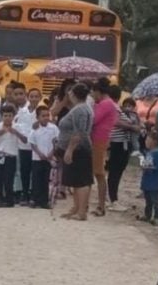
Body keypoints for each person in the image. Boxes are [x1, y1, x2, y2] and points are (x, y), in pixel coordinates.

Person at [57, 83, 94, 221]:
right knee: (75, 180)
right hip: (77, 148)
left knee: (81, 181)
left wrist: (70, 150)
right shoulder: (81, 108)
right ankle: (77, 208)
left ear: (74, 94)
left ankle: (81, 211)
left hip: (79, 149)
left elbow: (79, 132)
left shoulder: (80, 110)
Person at [107, 87, 141, 210]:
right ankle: (113, 199)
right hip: (119, 144)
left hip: (123, 143)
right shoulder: (115, 108)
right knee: (115, 172)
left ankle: (112, 197)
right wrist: (132, 127)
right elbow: (116, 122)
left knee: (117, 172)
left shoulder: (119, 109)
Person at [90, 78, 118, 217]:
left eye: (93, 93)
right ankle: (100, 204)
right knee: (98, 173)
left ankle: (101, 205)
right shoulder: (107, 103)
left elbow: (93, 119)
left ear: (98, 91)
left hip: (99, 140)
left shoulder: (105, 104)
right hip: (100, 139)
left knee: (99, 174)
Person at [0, 105, 26, 207]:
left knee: (8, 179)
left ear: (13, 116)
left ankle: (9, 199)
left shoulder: (17, 126)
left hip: (11, 156)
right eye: (5, 115)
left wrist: (16, 133)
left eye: (10, 115)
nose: (7, 118)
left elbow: (25, 140)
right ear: (1, 116)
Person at [29, 106, 59, 209]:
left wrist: (52, 152)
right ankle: (34, 199)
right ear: (37, 117)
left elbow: (56, 141)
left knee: (46, 180)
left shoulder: (53, 128)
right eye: (43, 116)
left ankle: (44, 201)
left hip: (49, 158)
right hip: (37, 158)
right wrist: (39, 153)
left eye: (47, 115)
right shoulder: (35, 129)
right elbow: (32, 144)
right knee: (36, 179)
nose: (46, 118)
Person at [14, 86, 39, 205]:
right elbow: (17, 125)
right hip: (23, 145)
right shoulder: (22, 111)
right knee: (24, 170)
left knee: (34, 171)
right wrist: (22, 136)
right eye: (32, 96)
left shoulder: (41, 111)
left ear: (40, 98)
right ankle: (24, 193)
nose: (34, 99)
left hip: (36, 146)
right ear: (28, 97)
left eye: (36, 96)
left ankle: (33, 193)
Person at [138, 132, 158, 225]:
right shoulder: (148, 153)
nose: (145, 142)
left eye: (148, 140)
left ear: (155, 141)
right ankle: (147, 215)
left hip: (155, 180)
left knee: (155, 200)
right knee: (148, 199)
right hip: (147, 180)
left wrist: (149, 167)